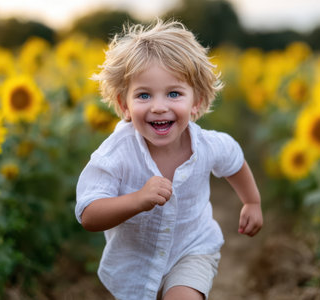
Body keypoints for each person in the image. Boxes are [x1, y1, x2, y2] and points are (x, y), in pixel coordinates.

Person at [75, 19, 263, 300]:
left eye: (174, 93)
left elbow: (234, 160)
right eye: (143, 95)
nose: (159, 107)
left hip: (192, 248)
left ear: (196, 101)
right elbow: (88, 213)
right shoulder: (115, 154)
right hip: (134, 263)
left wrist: (252, 201)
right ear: (124, 105)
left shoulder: (208, 145)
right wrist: (138, 199)